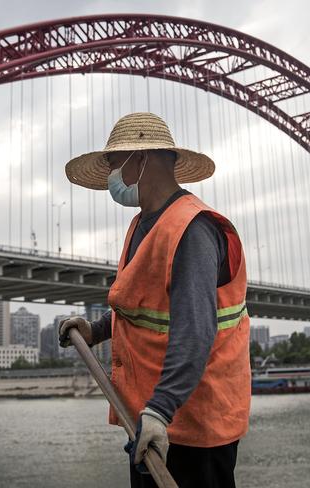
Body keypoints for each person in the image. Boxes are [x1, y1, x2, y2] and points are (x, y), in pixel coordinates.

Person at [58, 112, 251, 488]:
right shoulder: (143, 223)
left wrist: (161, 410)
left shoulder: (192, 228)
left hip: (192, 424)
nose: (111, 175)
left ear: (142, 159)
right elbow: (144, 306)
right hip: (150, 420)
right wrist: (96, 330)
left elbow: (195, 329)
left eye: (114, 163)